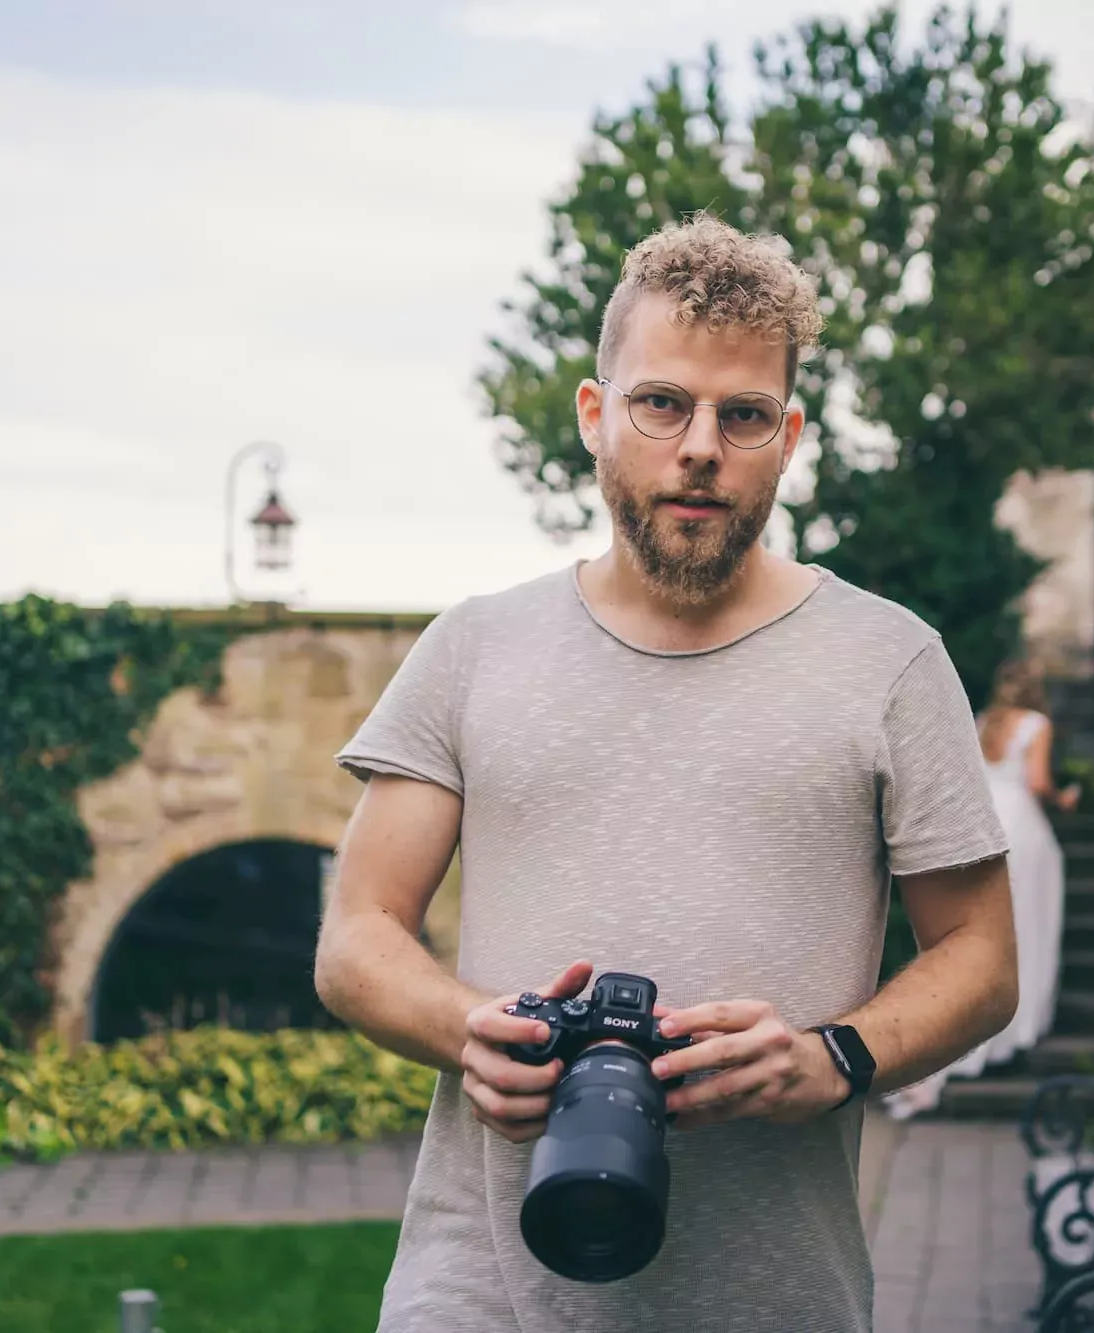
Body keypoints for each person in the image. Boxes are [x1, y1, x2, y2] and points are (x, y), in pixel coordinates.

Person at [313, 213, 1018, 1333]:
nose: (699, 446)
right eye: (662, 403)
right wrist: (466, 1030)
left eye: (741, 416)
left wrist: (833, 1056)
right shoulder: (473, 646)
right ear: (597, 415)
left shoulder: (890, 661)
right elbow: (355, 936)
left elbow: (981, 958)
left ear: (786, 437)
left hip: (773, 1300)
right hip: (480, 1293)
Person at [881, 661, 1078, 1119]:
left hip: (985, 826)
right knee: (1027, 927)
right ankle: (1016, 1028)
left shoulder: (983, 722)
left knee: (987, 935)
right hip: (1023, 829)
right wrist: (1064, 798)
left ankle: (975, 1033)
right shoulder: (1037, 724)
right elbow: (1038, 782)